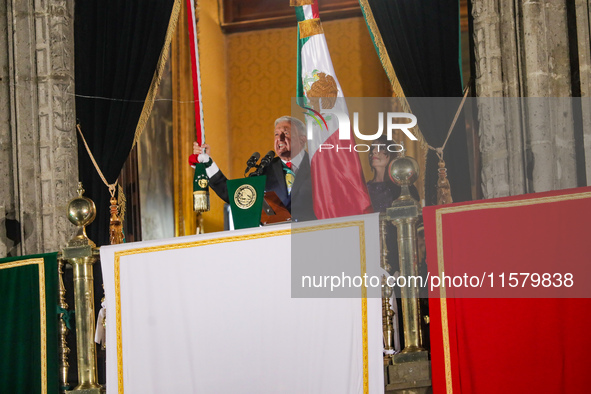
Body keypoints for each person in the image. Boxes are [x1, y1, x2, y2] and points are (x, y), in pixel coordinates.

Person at [192, 116, 316, 222]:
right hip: (276, 242)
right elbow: (235, 195)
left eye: (286, 132)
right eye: (276, 134)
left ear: (302, 139)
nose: (279, 138)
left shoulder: (320, 167)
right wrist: (208, 163)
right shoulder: (265, 169)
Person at [366, 135, 420, 212]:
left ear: (392, 153)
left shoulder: (403, 186)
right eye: (372, 148)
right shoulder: (364, 189)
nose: (374, 151)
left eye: (381, 148)